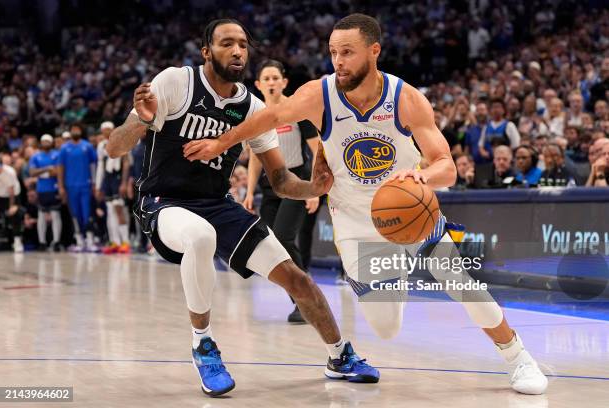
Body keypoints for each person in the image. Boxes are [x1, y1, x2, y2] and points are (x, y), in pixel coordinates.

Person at [184, 13, 547, 395]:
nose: (338, 62)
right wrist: (222, 143)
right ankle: (397, 269)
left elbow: (447, 167)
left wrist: (422, 177)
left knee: (461, 282)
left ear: (374, 51)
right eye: (333, 53)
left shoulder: (405, 98)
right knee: (386, 327)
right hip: (357, 223)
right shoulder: (318, 94)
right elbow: (269, 117)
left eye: (348, 53)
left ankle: (518, 357)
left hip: (412, 211)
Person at [106, 19, 378, 398]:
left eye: (243, 45)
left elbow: (281, 182)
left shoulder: (251, 108)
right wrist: (144, 123)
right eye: (227, 44)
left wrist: (314, 188)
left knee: (296, 279)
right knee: (200, 237)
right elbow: (114, 147)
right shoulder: (174, 83)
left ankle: (339, 355)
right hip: (163, 203)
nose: (237, 51)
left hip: (218, 205)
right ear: (206, 52)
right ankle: (203, 344)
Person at [243, 59, 321, 323]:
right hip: (269, 189)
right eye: (267, 79)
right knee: (271, 248)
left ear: (284, 82)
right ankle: (302, 298)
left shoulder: (297, 110)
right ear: (258, 85)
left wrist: (314, 190)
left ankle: (306, 301)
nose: (272, 82)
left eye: (276, 78)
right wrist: (249, 192)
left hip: (297, 183)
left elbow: (317, 150)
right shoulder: (257, 115)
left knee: (285, 238)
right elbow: (255, 157)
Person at [57, 123, 98, 251]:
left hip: (85, 185)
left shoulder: (87, 146)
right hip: (70, 186)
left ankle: (90, 240)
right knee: (75, 214)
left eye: (77, 129)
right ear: (70, 132)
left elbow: (93, 166)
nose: (75, 131)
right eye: (73, 129)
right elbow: (60, 168)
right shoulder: (64, 148)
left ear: (81, 131)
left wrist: (94, 183)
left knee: (87, 213)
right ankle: (79, 240)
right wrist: (61, 186)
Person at [96, 121, 131, 254]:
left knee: (119, 209)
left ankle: (125, 241)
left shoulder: (121, 141)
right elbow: (100, 165)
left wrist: (123, 182)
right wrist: (99, 185)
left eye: (108, 129)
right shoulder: (101, 145)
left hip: (117, 177)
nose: (106, 131)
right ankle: (115, 242)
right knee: (110, 211)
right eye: (104, 129)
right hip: (108, 178)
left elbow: (126, 162)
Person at [28, 134, 62, 251]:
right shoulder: (35, 156)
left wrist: (41, 172)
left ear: (51, 143)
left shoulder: (57, 154)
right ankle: (42, 242)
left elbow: (58, 171)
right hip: (41, 189)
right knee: (41, 215)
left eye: (48, 141)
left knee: (55, 215)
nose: (46, 143)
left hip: (54, 188)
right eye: (44, 141)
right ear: (41, 143)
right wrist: (47, 169)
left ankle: (56, 241)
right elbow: (32, 173)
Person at [0, 153, 24, 252]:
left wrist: (12, 206)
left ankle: (17, 241)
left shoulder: (9, 172)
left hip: (11, 196)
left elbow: (11, 191)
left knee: (15, 213)